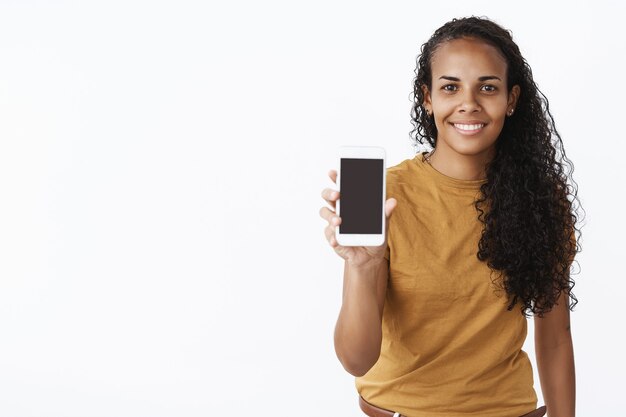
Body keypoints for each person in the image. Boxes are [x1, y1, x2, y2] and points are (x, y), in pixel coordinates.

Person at [319, 16, 581, 417]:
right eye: (450, 87)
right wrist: (363, 266)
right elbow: (357, 360)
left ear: (511, 100)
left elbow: (556, 337)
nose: (469, 103)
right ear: (428, 97)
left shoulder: (540, 199)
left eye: (487, 87)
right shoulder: (384, 195)